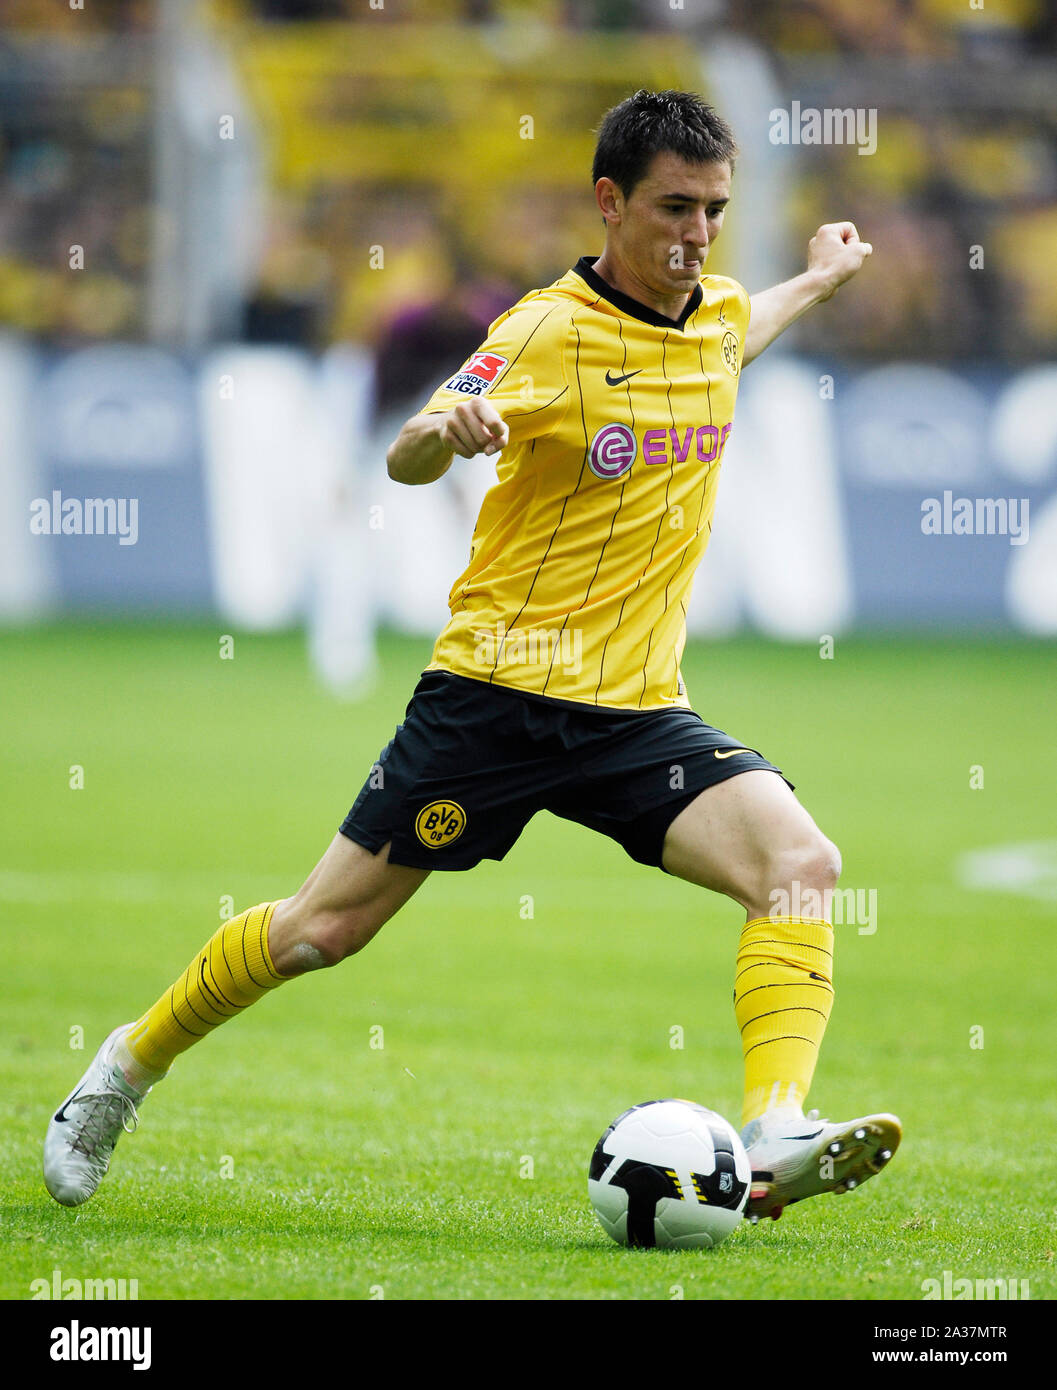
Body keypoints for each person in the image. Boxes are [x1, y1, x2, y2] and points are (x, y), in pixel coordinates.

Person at [45, 89, 899, 1222]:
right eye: (673, 208)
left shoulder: (719, 312)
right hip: (496, 693)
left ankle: (775, 1124)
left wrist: (824, 277)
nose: (696, 236)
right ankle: (122, 1071)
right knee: (321, 930)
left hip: (637, 711)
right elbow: (409, 451)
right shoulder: (546, 330)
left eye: (714, 211)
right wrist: (441, 435)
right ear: (609, 201)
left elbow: (743, 327)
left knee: (801, 865)